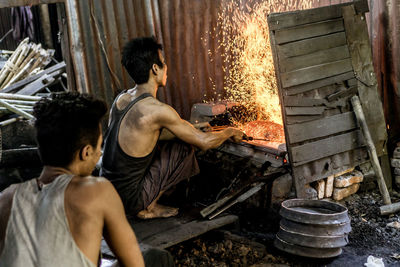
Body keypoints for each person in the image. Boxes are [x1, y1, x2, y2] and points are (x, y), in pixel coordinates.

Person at [100, 37, 244, 220]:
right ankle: (148, 207)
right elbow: (204, 143)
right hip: (130, 202)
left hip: (108, 193)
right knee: (184, 147)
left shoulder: (121, 100)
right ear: (155, 69)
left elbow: (144, 136)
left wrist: (194, 127)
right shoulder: (158, 110)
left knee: (180, 136)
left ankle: (145, 202)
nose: (166, 68)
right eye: (164, 63)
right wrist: (230, 131)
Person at [0, 92, 144, 267]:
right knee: (155, 256)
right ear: (86, 152)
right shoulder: (98, 191)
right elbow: (134, 264)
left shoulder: (6, 199)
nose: (99, 153)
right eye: (99, 147)